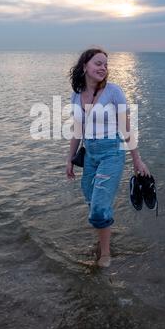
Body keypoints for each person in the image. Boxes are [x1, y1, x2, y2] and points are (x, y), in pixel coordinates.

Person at [66, 47, 150, 268]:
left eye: (105, 64)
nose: (103, 67)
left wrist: (137, 159)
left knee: (99, 207)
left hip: (112, 153)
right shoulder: (76, 94)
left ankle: (105, 254)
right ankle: (103, 242)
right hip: (90, 155)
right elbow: (77, 130)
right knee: (92, 201)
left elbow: (127, 127)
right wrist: (70, 158)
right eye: (98, 63)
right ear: (85, 66)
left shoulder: (114, 92)